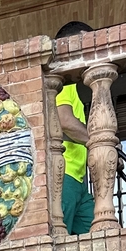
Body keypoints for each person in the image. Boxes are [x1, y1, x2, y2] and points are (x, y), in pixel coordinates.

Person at [55, 20, 94, 235]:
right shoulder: (63, 81)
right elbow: (65, 121)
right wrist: (100, 141)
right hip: (65, 177)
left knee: (102, 236)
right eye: (86, 44)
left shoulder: (71, 85)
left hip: (78, 181)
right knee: (59, 242)